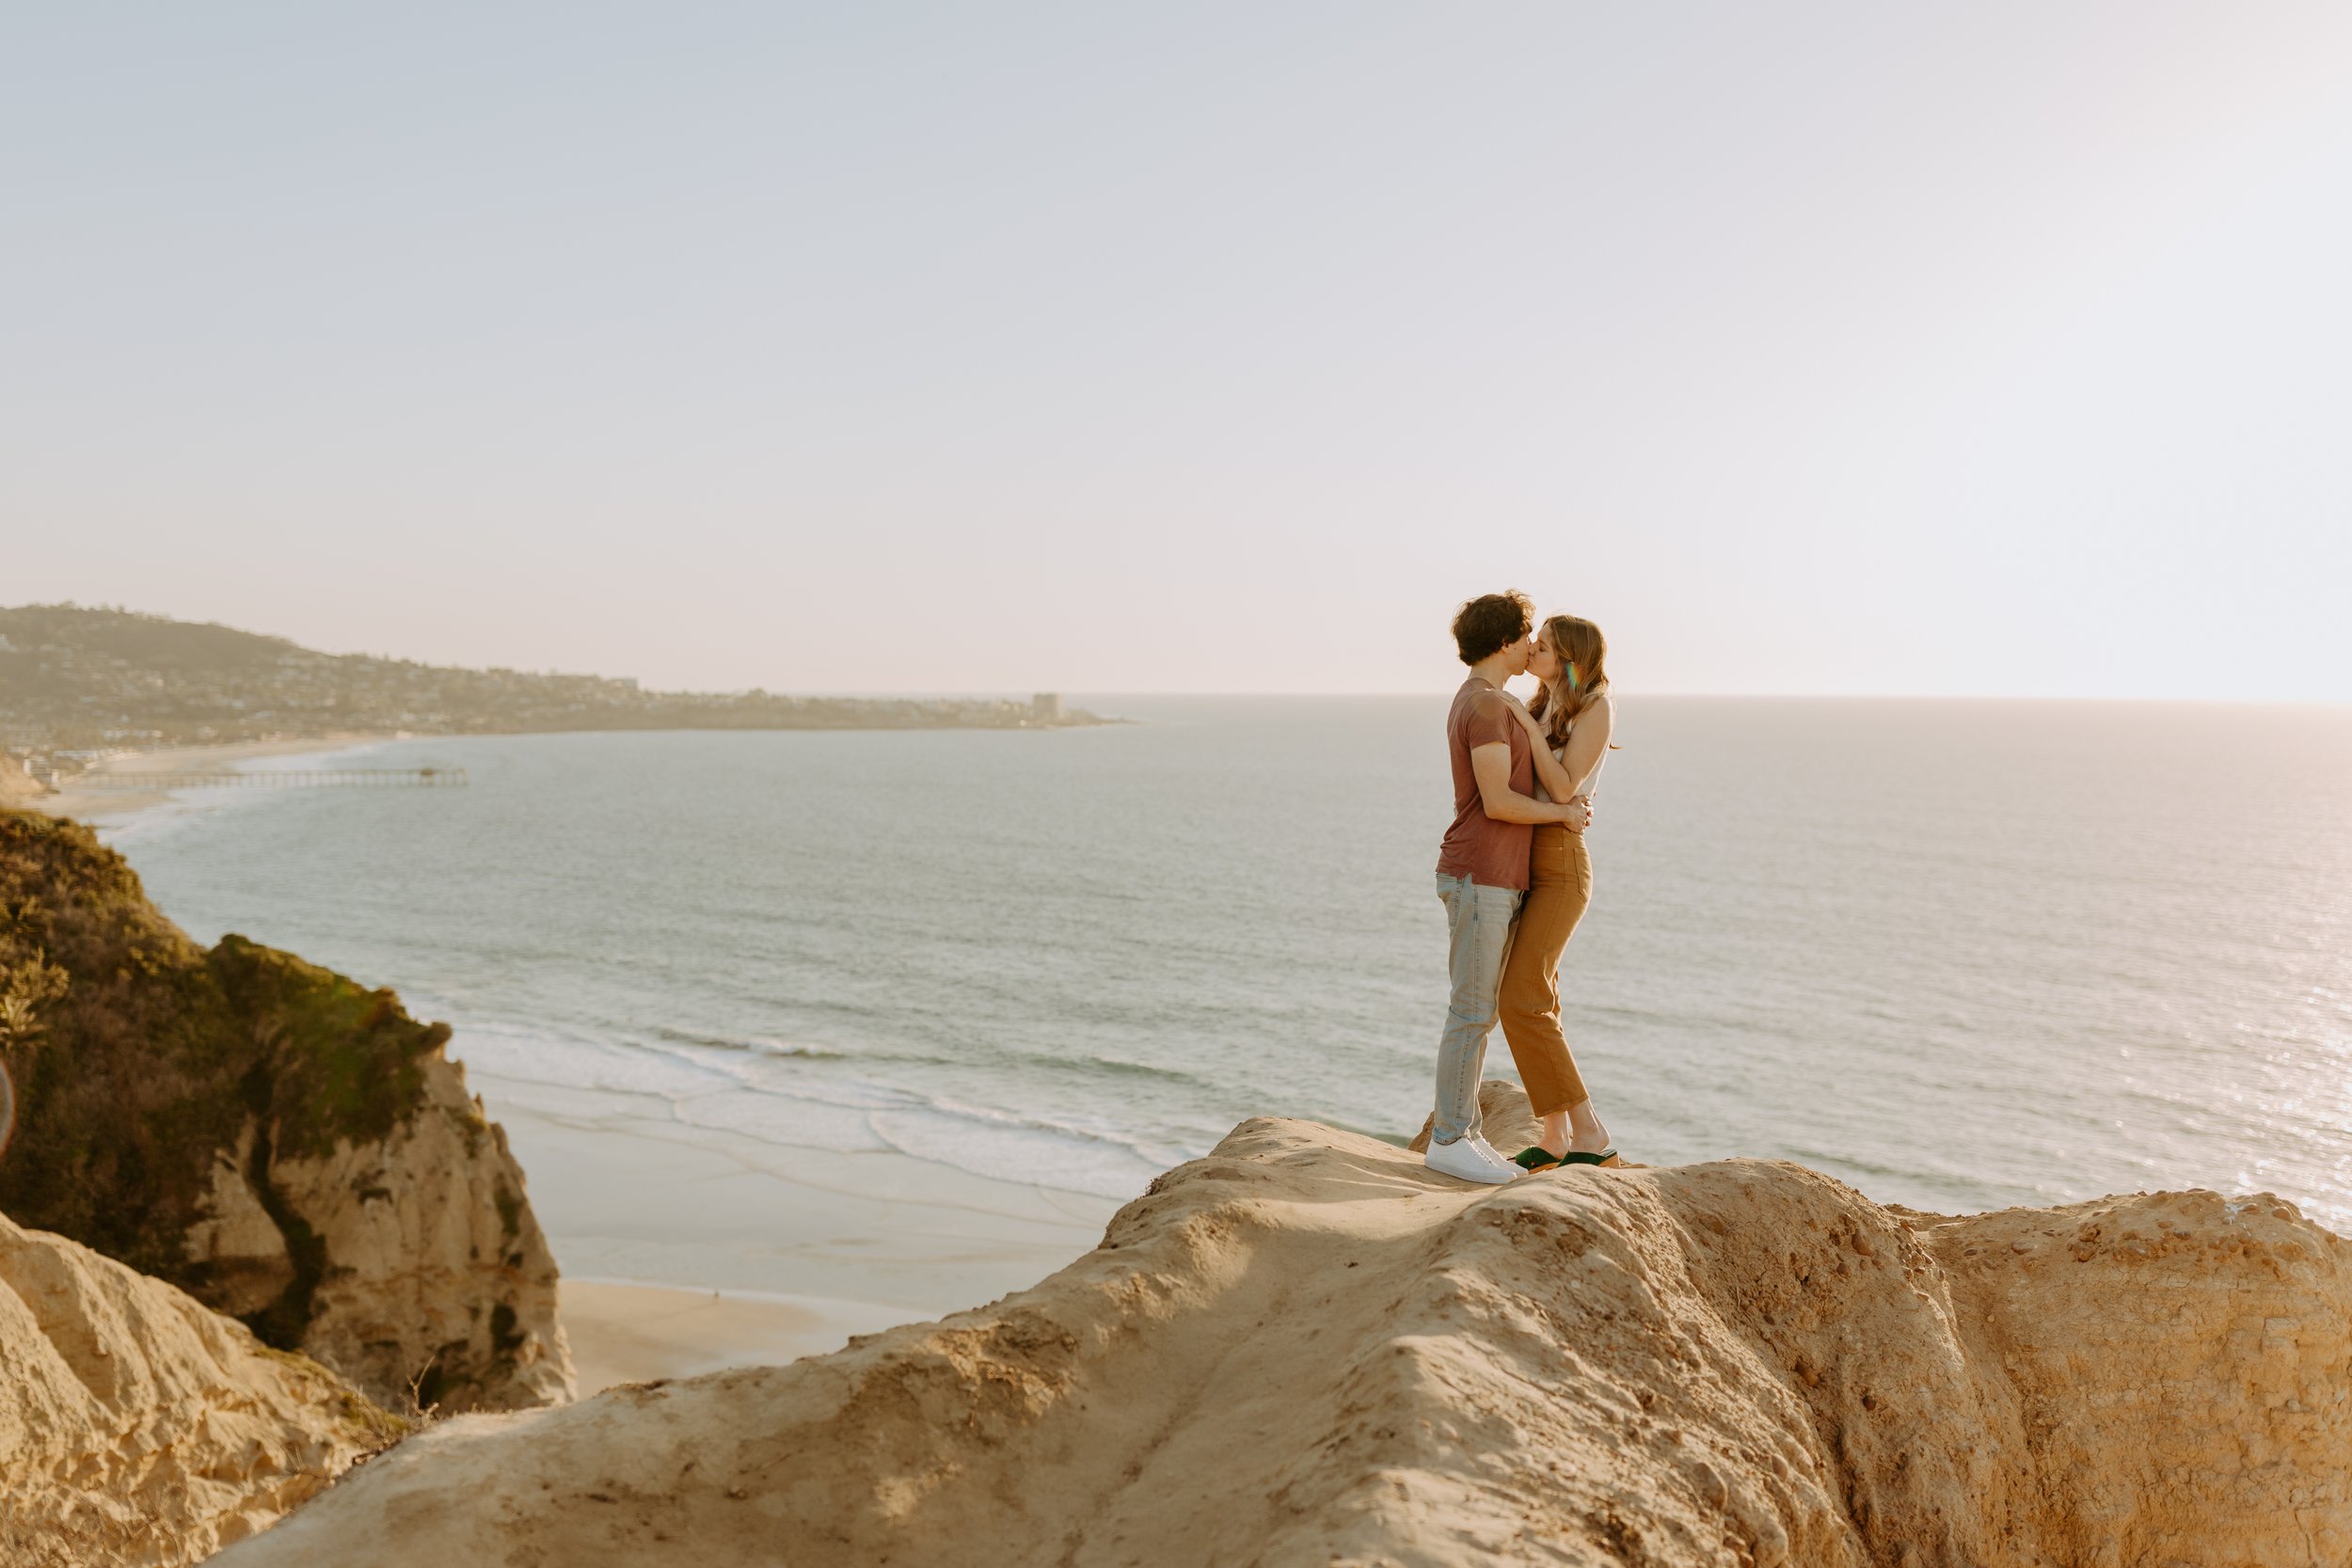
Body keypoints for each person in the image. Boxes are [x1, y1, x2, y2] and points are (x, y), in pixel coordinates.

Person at [1425, 592, 1593, 1186]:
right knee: (1471, 1011)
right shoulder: (1488, 707)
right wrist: (1563, 816)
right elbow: (1497, 801)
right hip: (1481, 874)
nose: (1532, 647)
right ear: (1503, 642)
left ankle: (1464, 1132)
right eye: (1526, 637)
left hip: (1490, 875)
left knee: (1478, 1011)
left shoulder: (1486, 700)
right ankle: (1449, 1137)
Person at [1494, 613, 1621, 1169]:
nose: (1533, 649)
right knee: (1537, 998)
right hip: (1528, 854)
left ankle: (1591, 1132)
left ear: (1568, 658)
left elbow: (1566, 785)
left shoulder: (1596, 708)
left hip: (1562, 864)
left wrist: (1524, 726)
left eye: (1543, 645)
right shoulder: (1542, 702)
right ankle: (1555, 1137)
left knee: (1519, 997)